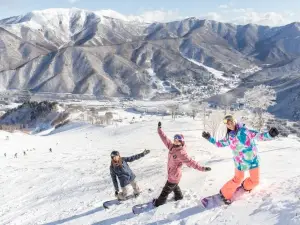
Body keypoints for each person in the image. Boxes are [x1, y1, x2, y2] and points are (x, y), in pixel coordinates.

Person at [202, 114, 279, 204]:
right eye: (227, 124)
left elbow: (258, 136)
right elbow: (219, 144)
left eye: (231, 122)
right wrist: (209, 138)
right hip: (239, 163)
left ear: (234, 121)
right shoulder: (230, 137)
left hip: (252, 160)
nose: (229, 125)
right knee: (237, 179)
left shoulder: (245, 131)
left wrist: (269, 135)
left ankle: (246, 186)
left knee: (255, 181)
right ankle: (224, 194)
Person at [153, 121, 211, 207]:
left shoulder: (181, 153)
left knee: (165, 191)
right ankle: (179, 196)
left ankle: (158, 203)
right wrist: (159, 129)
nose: (175, 141)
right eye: (175, 140)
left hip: (174, 175)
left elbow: (191, 162)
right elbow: (164, 138)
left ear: (181, 142)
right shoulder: (172, 146)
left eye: (178, 140)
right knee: (174, 186)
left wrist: (202, 168)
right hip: (173, 173)